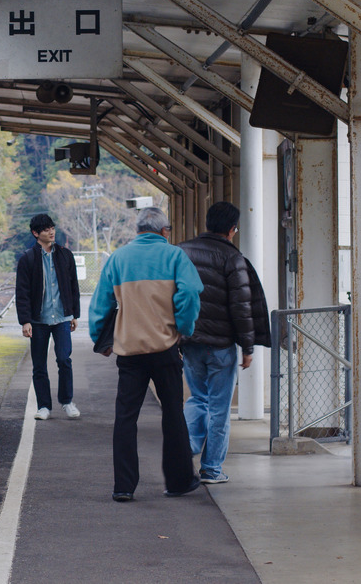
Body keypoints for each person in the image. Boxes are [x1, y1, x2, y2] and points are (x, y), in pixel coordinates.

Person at [88, 207, 203, 502]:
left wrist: (100, 339)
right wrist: (184, 327)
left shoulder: (118, 259)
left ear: (138, 231)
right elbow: (189, 293)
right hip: (165, 349)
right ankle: (178, 481)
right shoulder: (175, 256)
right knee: (173, 416)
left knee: (125, 417)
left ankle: (123, 486)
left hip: (129, 352)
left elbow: (100, 304)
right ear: (164, 231)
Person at [178, 202, 271, 485]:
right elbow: (242, 307)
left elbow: (172, 296)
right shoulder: (233, 258)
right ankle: (211, 470)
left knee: (197, 398)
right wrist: (248, 347)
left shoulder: (182, 252)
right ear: (232, 230)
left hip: (190, 341)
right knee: (219, 408)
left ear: (207, 223)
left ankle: (187, 449)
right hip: (220, 346)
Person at [15, 213, 82, 421]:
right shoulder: (28, 258)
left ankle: (67, 401)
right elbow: (22, 292)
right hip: (38, 320)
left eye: (52, 228)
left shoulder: (65, 255)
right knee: (39, 365)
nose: (51, 232)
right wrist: (25, 320)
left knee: (64, 359)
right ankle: (44, 406)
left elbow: (73, 286)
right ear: (36, 233)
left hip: (62, 317)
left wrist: (74, 314)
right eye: (46, 229)